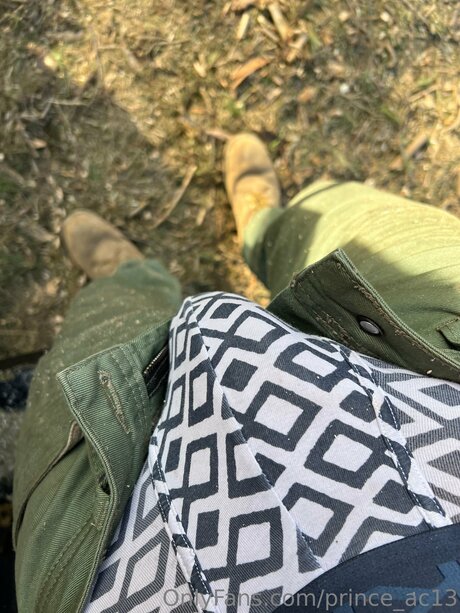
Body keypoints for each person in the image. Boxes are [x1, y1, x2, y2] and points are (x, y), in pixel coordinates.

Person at [12, 133, 460, 613]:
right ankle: (263, 227)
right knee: (359, 226)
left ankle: (126, 277)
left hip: (115, 559)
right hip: (432, 392)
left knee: (100, 333)